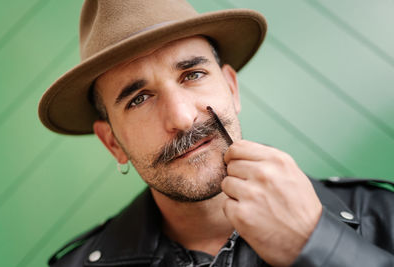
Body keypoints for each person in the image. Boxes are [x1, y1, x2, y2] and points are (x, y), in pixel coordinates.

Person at [39, 0, 394, 266]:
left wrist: (319, 244)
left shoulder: (382, 214)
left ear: (231, 88)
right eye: (139, 98)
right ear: (113, 142)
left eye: (192, 75)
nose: (180, 117)